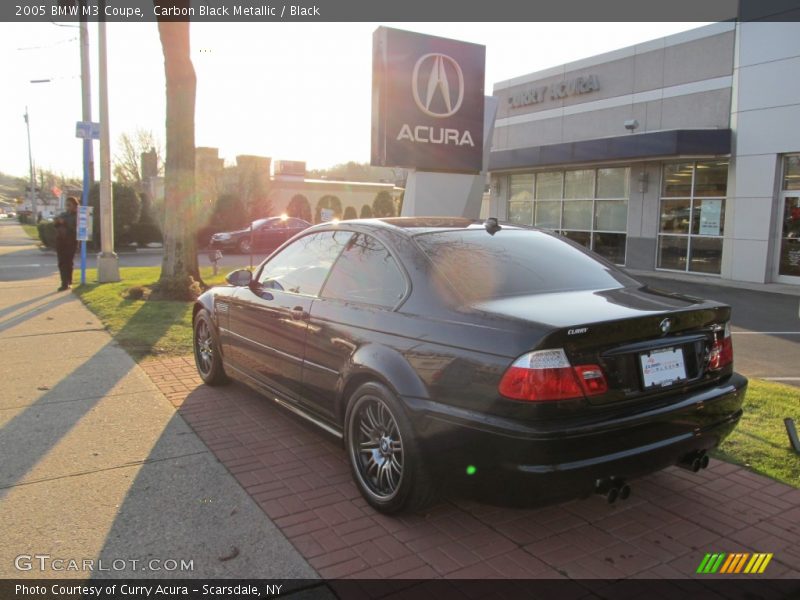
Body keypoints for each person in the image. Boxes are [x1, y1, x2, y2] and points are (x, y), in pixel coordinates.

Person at [54, 197, 79, 291]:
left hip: (71, 241)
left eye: (69, 205)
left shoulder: (77, 215)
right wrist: (57, 222)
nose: (67, 207)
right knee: (61, 262)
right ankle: (64, 282)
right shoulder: (63, 214)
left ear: (75, 205)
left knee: (68, 262)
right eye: (66, 205)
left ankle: (68, 281)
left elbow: (75, 227)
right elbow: (56, 225)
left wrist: (65, 222)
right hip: (60, 241)